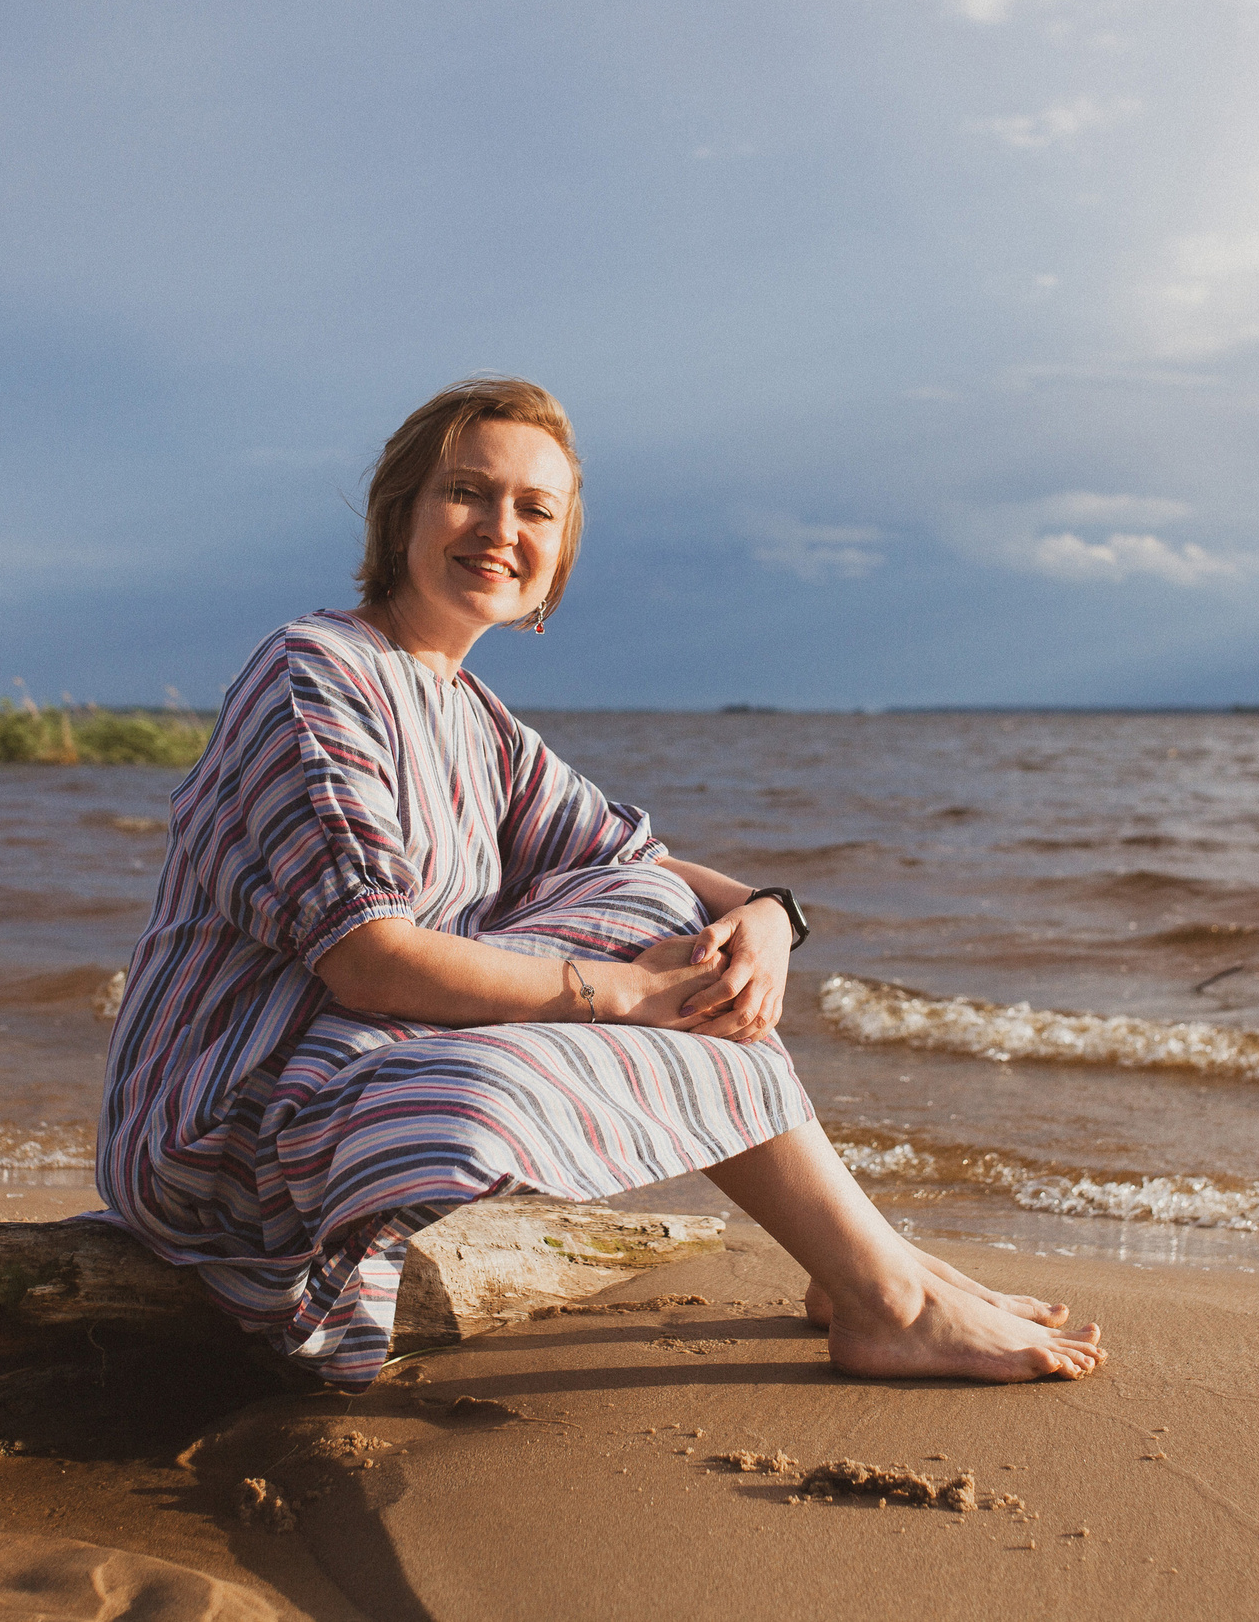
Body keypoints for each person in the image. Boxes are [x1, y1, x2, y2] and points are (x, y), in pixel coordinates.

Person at [97, 377, 1104, 1388]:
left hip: (346, 1072)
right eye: (467, 493)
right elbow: (368, 961)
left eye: (535, 509)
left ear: (559, 554)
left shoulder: (469, 715)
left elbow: (632, 864)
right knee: (565, 1029)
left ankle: (867, 1273)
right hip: (225, 1137)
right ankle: (885, 1292)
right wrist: (623, 992)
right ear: (399, 511)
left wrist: (766, 916)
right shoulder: (314, 675)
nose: (500, 528)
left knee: (665, 912)